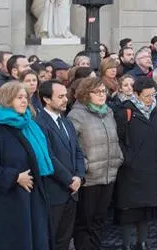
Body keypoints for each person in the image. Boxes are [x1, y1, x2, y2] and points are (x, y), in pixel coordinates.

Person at [0, 81, 54, 250]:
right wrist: (15, 177)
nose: (24, 101)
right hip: (5, 203)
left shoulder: (27, 125)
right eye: (19, 97)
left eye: (26, 97)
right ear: (6, 99)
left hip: (30, 198)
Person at [68, 77, 124, 250]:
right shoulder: (76, 115)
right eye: (97, 92)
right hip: (89, 178)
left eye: (103, 91)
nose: (102, 95)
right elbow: (73, 145)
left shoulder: (108, 112)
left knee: (99, 219)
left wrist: (118, 157)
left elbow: (114, 138)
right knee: (85, 221)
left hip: (108, 174)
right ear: (86, 93)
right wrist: (85, 165)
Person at [114, 77, 157, 250]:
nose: (151, 99)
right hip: (131, 168)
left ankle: (142, 242)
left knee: (146, 208)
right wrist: (127, 159)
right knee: (129, 209)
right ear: (136, 94)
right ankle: (127, 243)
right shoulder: (125, 111)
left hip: (152, 165)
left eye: (153, 95)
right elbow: (118, 139)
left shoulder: (156, 110)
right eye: (147, 96)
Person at [35, 80, 85, 250]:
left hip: (72, 190)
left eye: (66, 95)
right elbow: (48, 156)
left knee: (65, 238)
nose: (65, 99)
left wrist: (79, 175)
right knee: (52, 239)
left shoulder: (66, 121)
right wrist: (69, 180)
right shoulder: (39, 123)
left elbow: (78, 151)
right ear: (47, 99)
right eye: (60, 96)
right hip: (54, 190)